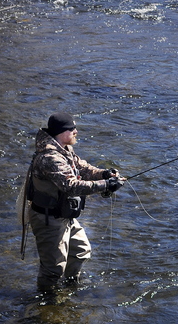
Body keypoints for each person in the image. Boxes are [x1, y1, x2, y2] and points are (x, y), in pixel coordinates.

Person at [24, 112, 125, 292]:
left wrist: (104, 174)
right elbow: (71, 186)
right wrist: (105, 185)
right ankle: (47, 301)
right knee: (52, 269)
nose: (76, 131)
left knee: (81, 251)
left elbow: (81, 167)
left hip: (64, 215)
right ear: (62, 132)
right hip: (48, 219)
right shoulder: (50, 158)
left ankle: (70, 287)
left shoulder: (63, 149)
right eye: (72, 129)